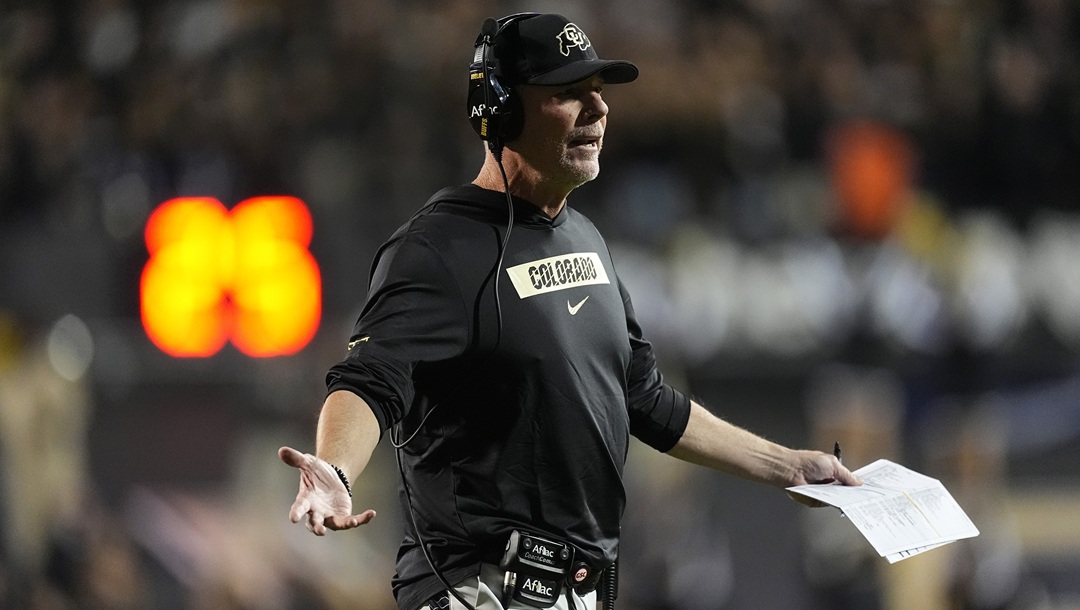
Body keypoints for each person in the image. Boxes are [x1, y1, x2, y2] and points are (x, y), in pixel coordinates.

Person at [279, 13, 860, 610]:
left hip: (575, 592)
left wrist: (787, 466)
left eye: (598, 92)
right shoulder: (437, 249)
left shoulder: (585, 239)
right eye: (568, 93)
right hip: (478, 589)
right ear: (502, 109)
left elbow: (645, 399)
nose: (598, 109)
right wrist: (336, 469)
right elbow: (369, 380)